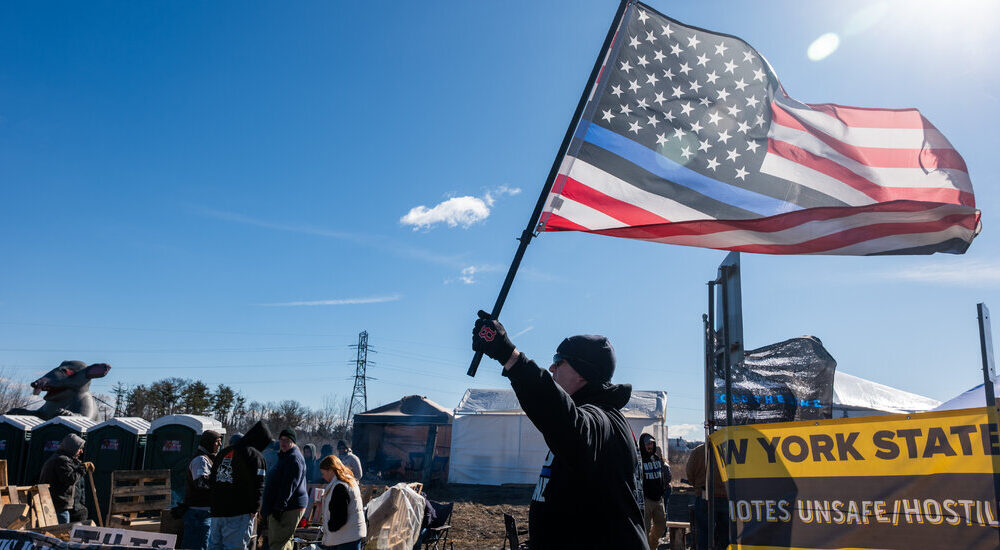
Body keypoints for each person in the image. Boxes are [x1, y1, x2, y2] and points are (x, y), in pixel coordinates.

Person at [473, 311, 647, 549]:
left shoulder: (604, 421)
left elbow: (568, 425)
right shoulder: (588, 418)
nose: (552, 367)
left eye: (559, 360)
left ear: (584, 372)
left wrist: (510, 356)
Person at [209, 421, 272, 550]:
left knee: (214, 547)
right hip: (238, 513)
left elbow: (212, 480)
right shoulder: (255, 456)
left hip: (217, 512)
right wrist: (255, 508)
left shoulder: (223, 453)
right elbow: (259, 485)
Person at [261, 429, 308, 550]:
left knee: (278, 543)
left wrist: (279, 507)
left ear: (293, 442)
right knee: (284, 542)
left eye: (287, 440)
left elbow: (289, 486)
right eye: (281, 439)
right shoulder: (285, 456)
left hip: (288, 508)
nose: (283, 443)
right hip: (283, 506)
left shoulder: (294, 458)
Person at [181, 430, 223, 550]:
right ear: (209, 442)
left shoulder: (209, 458)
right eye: (217, 441)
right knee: (197, 546)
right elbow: (201, 483)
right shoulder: (201, 460)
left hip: (204, 512)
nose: (219, 444)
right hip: (198, 514)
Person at [39, 433, 93, 524]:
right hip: (59, 506)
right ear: (72, 448)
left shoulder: (61, 458)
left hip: (56, 505)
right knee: (62, 534)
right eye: (79, 449)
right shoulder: (61, 460)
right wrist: (83, 468)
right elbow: (70, 479)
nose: (81, 451)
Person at [318, 455, 366, 550]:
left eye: (323, 473)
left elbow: (340, 516)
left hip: (344, 537)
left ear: (330, 470)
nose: (323, 476)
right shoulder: (348, 481)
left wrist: (330, 528)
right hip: (350, 535)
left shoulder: (339, 486)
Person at [686, 443, 729, 550]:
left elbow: (689, 472)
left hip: (704, 496)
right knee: (725, 534)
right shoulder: (727, 449)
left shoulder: (698, 451)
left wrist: (697, 487)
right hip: (725, 496)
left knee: (704, 532)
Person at [639, 434, 671, 550]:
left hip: (658, 498)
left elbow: (663, 476)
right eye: (647, 443)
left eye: (652, 443)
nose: (650, 446)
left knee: (661, 526)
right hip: (646, 499)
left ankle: (652, 546)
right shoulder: (640, 460)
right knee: (645, 528)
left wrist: (662, 490)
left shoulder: (657, 459)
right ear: (643, 445)